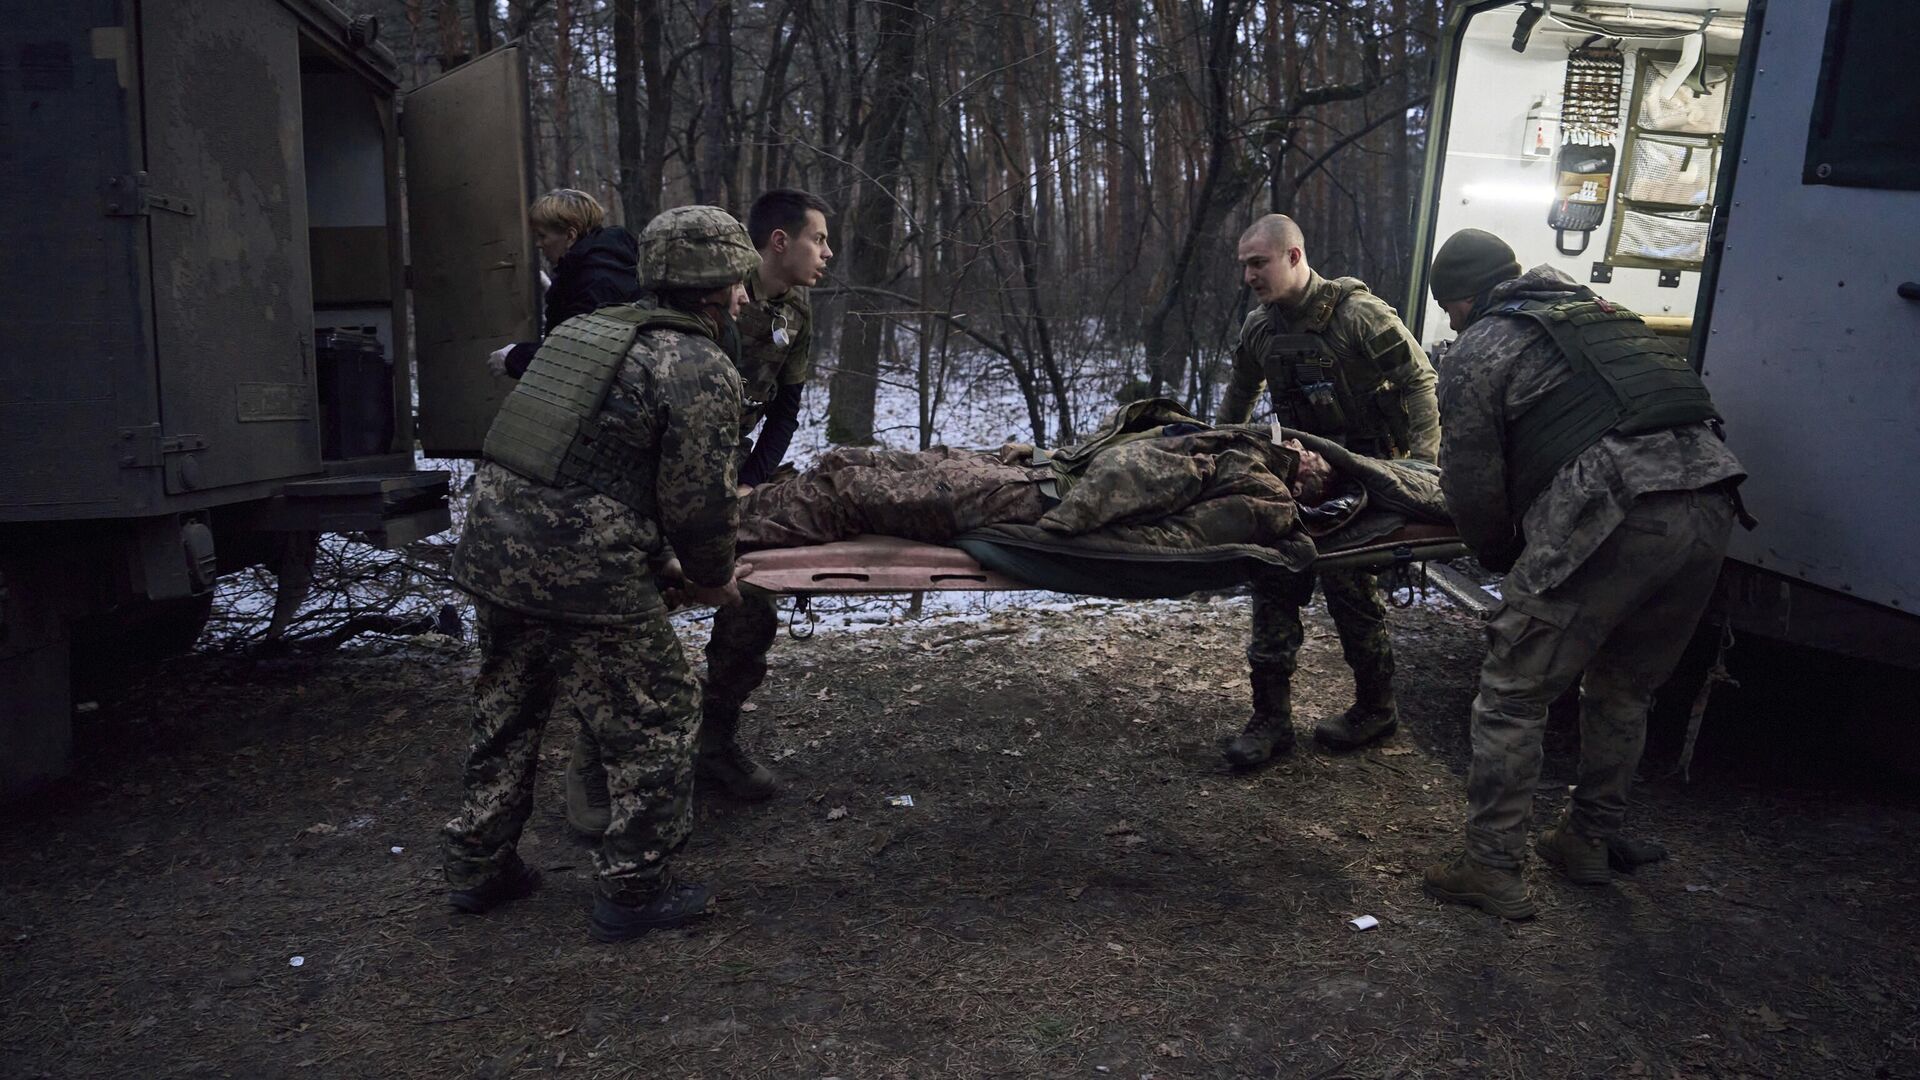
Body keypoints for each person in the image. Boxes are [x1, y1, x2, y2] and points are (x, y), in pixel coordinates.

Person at [443, 206, 757, 943]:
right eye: (738, 282)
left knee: (509, 705)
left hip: (495, 544)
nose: (745, 296)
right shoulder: (699, 364)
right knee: (661, 712)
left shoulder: (585, 334)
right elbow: (699, 503)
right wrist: (711, 575)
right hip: (579, 564)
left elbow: (576, 464)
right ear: (713, 288)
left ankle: (477, 865)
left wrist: (655, 557)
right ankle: (635, 885)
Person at [1417, 229, 1746, 920]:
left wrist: (1495, 554)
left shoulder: (1480, 346)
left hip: (1615, 511)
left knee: (1513, 691)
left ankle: (1492, 868)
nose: (1450, 321)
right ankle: (1587, 840)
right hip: (1713, 501)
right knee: (1625, 687)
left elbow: (1472, 478)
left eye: (1448, 306)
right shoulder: (1605, 313)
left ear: (1468, 297)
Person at [565, 189, 833, 826]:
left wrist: (749, 480)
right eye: (818, 238)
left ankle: (714, 742)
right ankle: (594, 765)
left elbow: (786, 405)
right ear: (778, 242)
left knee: (753, 603)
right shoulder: (706, 286)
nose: (826, 252)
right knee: (629, 620)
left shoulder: (796, 309)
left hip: (723, 473)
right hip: (651, 474)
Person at [1216, 214, 1440, 768]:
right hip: (1301, 472)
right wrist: (1220, 453)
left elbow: (1420, 382)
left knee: (1349, 590)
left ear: (1294, 257)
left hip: (1366, 474)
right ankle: (1270, 720)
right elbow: (1240, 395)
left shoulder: (1359, 316)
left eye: (1258, 262)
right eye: (1244, 264)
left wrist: (1421, 467)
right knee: (1275, 573)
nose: (1248, 275)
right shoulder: (1260, 329)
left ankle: (1376, 707)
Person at [487, 188, 643, 379]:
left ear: (570, 236)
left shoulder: (597, 280)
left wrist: (513, 358)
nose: (538, 244)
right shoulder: (592, 268)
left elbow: (578, 356)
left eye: (542, 236)